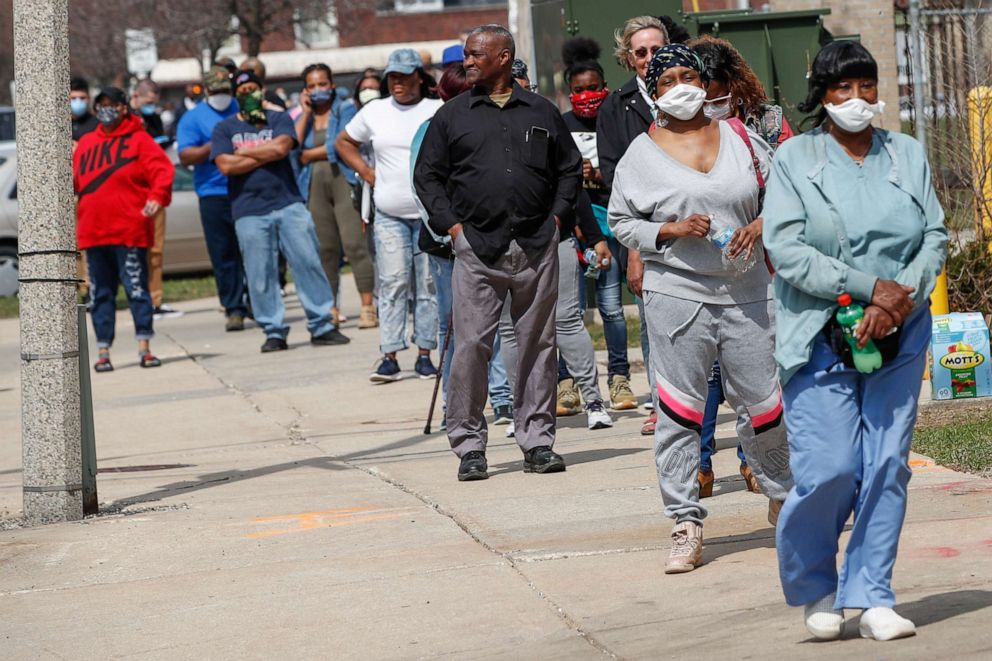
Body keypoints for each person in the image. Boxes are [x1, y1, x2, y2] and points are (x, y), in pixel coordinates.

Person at [764, 41, 947, 642]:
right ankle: (818, 585)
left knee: (888, 463)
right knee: (833, 467)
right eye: (843, 87)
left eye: (867, 85)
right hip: (820, 331)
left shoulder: (907, 153)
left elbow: (935, 236)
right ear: (822, 94)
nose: (858, 99)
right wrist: (871, 289)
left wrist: (900, 301)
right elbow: (787, 248)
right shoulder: (796, 157)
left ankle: (873, 594)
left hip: (899, 330)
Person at [608, 44, 792, 574]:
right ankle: (685, 522)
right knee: (680, 409)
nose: (682, 86)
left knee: (765, 402)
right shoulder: (640, 155)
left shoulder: (740, 136)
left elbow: (782, 191)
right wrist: (667, 229)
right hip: (678, 292)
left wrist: (762, 223)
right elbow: (622, 221)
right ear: (653, 91)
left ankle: (784, 500)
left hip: (748, 289)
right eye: (669, 80)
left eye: (690, 75)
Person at [414, 24, 582, 480]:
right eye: (466, 54)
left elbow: (569, 170)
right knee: (471, 347)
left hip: (535, 245)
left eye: (474, 54)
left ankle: (537, 442)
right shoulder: (452, 116)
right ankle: (470, 446)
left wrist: (558, 218)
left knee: (537, 345)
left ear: (503, 57)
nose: (466, 61)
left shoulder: (543, 111)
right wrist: (453, 227)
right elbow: (427, 177)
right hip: (477, 249)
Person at [689, 34, 796, 498]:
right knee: (707, 374)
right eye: (701, 91)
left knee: (755, 372)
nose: (709, 101)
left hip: (762, 269)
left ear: (732, 84)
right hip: (702, 271)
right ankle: (699, 462)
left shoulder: (768, 122)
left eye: (716, 92)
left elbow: (794, 187)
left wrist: (761, 223)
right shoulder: (677, 127)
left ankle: (755, 461)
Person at [212, 70, 350, 352]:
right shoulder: (224, 128)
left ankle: (322, 324)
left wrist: (242, 153)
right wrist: (266, 150)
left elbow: (283, 148)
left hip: (288, 203)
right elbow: (225, 166)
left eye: (252, 88)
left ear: (261, 91)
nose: (247, 94)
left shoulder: (278, 119)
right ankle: (273, 330)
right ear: (236, 95)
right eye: (242, 90)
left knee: (308, 262)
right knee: (259, 273)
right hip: (248, 210)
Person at [411, 64, 515, 430]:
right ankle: (452, 406)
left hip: (488, 241)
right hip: (446, 245)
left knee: (495, 323)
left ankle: (501, 396)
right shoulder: (432, 127)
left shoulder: (490, 122)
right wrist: (451, 232)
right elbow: (422, 185)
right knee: (453, 326)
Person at [336, 48, 442, 383]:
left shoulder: (437, 110)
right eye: (392, 77)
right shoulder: (375, 111)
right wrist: (367, 173)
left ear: (419, 78)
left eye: (404, 76)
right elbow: (344, 142)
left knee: (427, 286)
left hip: (428, 215)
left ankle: (425, 353)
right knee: (393, 282)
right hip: (389, 214)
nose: (397, 83)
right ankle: (390, 354)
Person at [556, 36, 638, 413]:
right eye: (578, 90)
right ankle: (566, 383)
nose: (587, 95)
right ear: (568, 92)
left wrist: (600, 175)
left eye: (593, 88)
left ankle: (619, 378)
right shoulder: (562, 125)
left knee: (612, 309)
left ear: (604, 87)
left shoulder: (614, 119)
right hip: (572, 229)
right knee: (565, 314)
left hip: (611, 227)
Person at [597, 15, 669, 436]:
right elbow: (612, 175)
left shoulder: (695, 93)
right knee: (653, 319)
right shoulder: (616, 105)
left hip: (698, 225)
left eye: (656, 49)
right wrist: (637, 243)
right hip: (645, 230)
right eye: (640, 52)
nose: (649, 59)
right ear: (628, 58)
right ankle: (662, 403)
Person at [74, 86, 174, 372]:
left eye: (112, 105)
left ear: (123, 108)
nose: (107, 110)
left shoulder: (139, 140)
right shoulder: (86, 143)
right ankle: (103, 351)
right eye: (101, 105)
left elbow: (162, 172)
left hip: (129, 230)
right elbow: (75, 180)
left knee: (136, 290)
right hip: (94, 232)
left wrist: (157, 197)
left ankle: (144, 346)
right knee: (100, 293)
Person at [295, 63, 377, 329]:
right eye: (312, 86)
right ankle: (330, 307)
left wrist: (309, 154)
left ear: (331, 85)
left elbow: (340, 143)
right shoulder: (302, 115)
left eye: (322, 84)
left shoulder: (345, 108)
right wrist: (306, 113)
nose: (318, 90)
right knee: (325, 250)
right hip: (314, 186)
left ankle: (367, 307)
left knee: (355, 245)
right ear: (305, 90)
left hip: (343, 181)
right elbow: (292, 144)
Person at [176, 65, 249, 332]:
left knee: (252, 249)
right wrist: (216, 144)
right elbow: (185, 156)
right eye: (216, 91)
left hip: (246, 188)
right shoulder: (193, 119)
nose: (222, 95)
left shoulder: (241, 109)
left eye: (225, 91)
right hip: (212, 193)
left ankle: (256, 300)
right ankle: (233, 308)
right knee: (224, 253)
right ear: (206, 91)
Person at [130, 78, 176, 320]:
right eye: (148, 101)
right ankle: (139, 299)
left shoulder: (155, 119)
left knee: (156, 251)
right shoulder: (127, 120)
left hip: (153, 192)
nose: (151, 106)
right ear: (136, 96)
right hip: (134, 193)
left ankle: (156, 299)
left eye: (154, 102)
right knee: (136, 252)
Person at [70, 76, 98, 143]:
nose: (78, 102)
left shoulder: (97, 125)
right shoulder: (59, 124)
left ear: (89, 98)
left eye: (82, 98)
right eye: (73, 98)